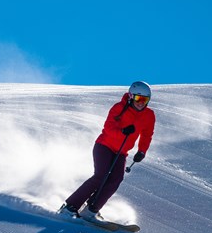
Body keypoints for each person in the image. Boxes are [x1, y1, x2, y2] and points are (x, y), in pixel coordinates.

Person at [59, 81, 155, 221]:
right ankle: (70, 207)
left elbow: (147, 134)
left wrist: (142, 151)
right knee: (100, 176)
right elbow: (108, 128)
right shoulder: (119, 108)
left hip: (121, 152)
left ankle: (91, 210)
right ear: (131, 96)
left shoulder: (149, 115)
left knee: (116, 179)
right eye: (138, 99)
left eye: (145, 100)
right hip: (104, 146)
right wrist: (123, 131)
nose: (141, 103)